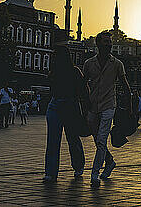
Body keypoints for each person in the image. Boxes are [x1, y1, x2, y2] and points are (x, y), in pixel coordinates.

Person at [83, 31, 132, 186]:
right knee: (98, 139)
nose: (109, 45)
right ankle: (109, 161)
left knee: (102, 139)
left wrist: (130, 108)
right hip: (92, 105)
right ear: (98, 44)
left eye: (110, 42)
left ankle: (95, 173)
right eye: (106, 42)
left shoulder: (117, 64)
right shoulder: (89, 63)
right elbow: (83, 84)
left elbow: (126, 87)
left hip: (109, 105)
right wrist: (83, 103)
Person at [43, 46, 90, 183]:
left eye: (55, 55)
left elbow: (83, 89)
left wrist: (86, 108)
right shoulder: (55, 72)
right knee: (54, 140)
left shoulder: (74, 71)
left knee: (72, 138)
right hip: (57, 104)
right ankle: (51, 172)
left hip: (69, 105)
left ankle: (78, 166)